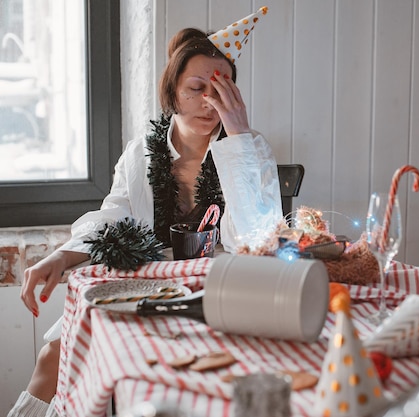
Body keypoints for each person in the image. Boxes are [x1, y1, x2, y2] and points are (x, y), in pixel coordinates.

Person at [9, 7, 280, 416]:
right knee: (52, 357)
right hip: (145, 290)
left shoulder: (250, 148)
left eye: (221, 89)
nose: (210, 103)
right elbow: (114, 217)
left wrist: (239, 138)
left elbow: (260, 240)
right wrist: (62, 255)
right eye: (196, 88)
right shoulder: (141, 154)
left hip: (218, 298)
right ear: (171, 94)